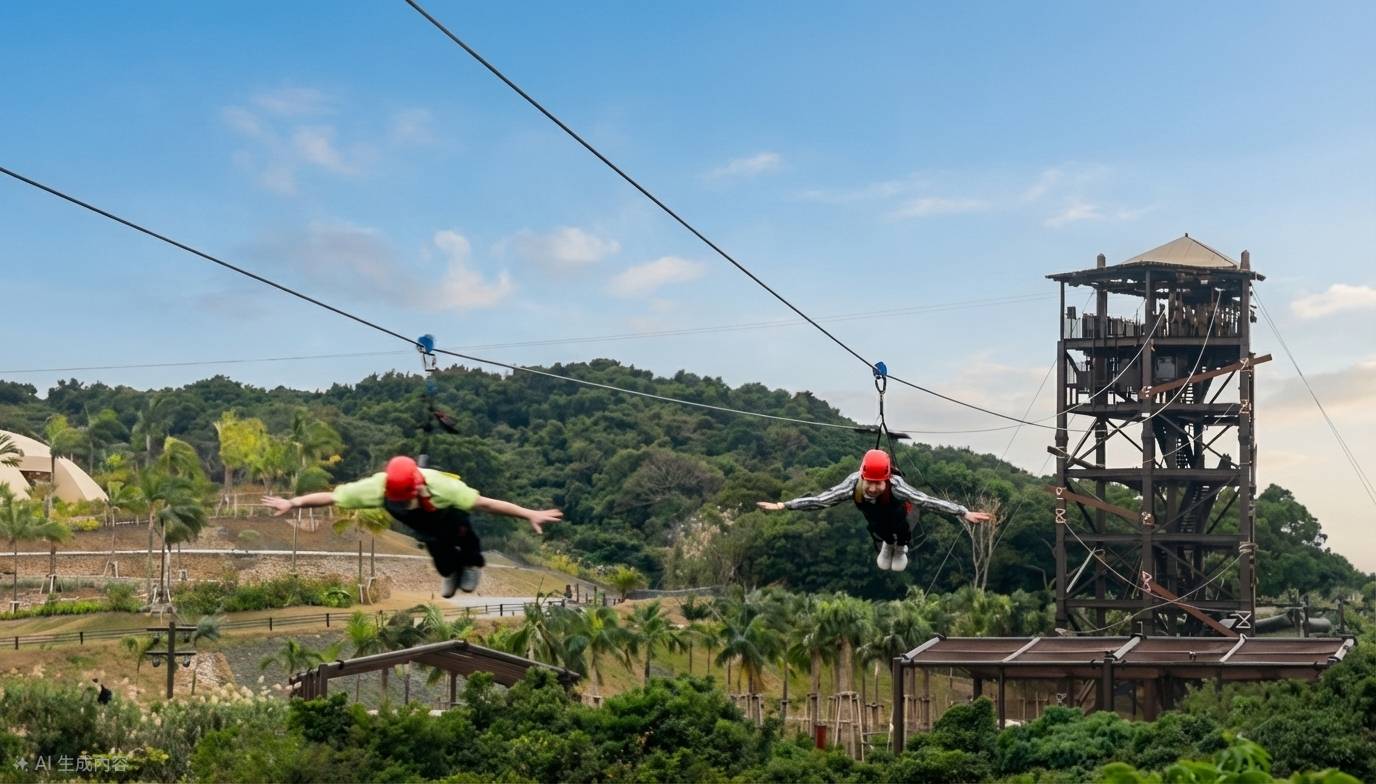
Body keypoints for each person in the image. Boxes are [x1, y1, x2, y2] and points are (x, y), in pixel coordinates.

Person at [263, 456, 562, 597]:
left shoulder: (443, 487)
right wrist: (294, 503)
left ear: (417, 490)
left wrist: (529, 514)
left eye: (407, 500)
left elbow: (488, 504)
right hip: (430, 530)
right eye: (398, 500)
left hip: (451, 518)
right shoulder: (377, 487)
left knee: (466, 540)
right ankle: (451, 572)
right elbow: (332, 496)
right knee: (441, 556)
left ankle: (470, 566)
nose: (403, 504)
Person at [756, 449, 992, 571]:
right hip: (878, 522)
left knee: (902, 529)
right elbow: (822, 499)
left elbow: (927, 500)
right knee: (880, 528)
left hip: (903, 515)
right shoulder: (853, 484)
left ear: (886, 479)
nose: (873, 488)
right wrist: (784, 505)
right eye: (869, 482)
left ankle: (899, 549)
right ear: (863, 476)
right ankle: (888, 545)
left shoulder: (895, 485)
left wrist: (962, 512)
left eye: (878, 483)